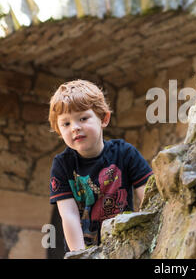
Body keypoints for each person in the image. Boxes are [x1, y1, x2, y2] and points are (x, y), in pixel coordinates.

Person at [48, 79, 153, 252]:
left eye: (83, 118)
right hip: (84, 249)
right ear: (59, 130)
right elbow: (69, 215)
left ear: (104, 119)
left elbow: (149, 196)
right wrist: (80, 254)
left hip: (124, 246)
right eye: (66, 123)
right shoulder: (62, 164)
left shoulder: (125, 153)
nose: (75, 127)